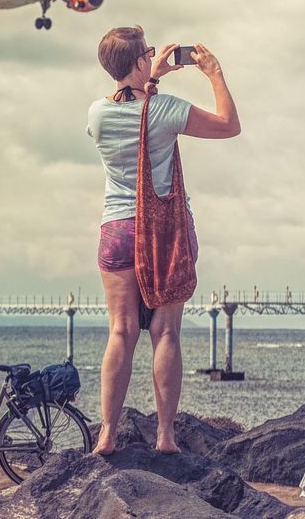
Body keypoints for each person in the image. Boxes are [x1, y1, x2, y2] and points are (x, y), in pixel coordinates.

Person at [86, 27, 240, 455]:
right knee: (166, 332)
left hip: (117, 229)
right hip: (166, 231)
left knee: (121, 331)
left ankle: (107, 435)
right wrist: (213, 73)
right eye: (148, 55)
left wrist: (150, 78)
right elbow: (229, 125)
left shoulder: (96, 115)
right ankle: (165, 437)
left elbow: (134, 107)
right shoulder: (166, 110)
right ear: (138, 62)